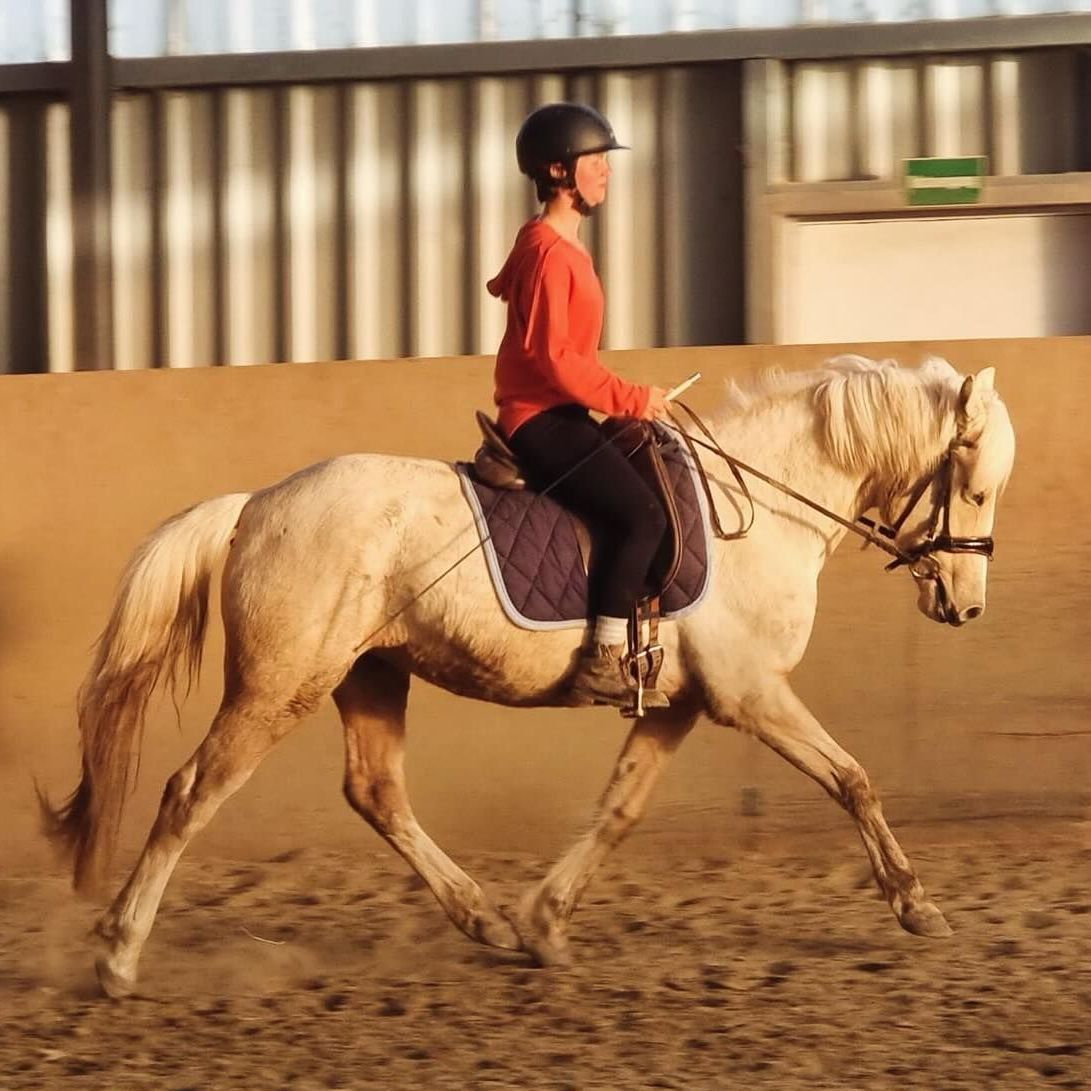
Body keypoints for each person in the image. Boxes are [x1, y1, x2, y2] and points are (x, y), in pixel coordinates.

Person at [486, 101, 671, 709]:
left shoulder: (558, 246)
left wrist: (623, 404)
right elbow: (555, 362)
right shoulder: (549, 254)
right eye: (596, 161)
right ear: (559, 173)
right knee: (641, 515)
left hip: (562, 413)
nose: (607, 172)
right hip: (541, 420)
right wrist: (634, 398)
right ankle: (603, 658)